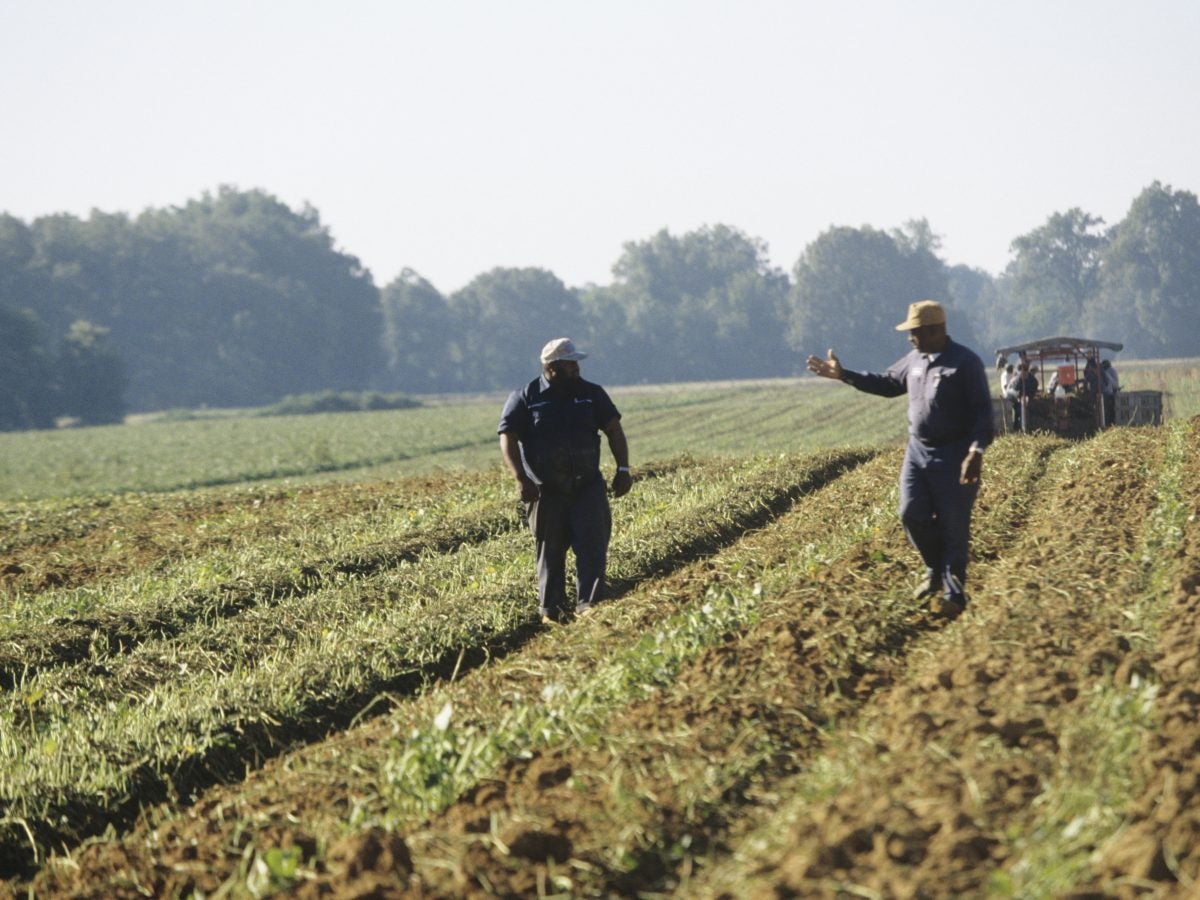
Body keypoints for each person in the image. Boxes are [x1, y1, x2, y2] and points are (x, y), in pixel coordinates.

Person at [806, 300, 993, 619]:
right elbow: (887, 383)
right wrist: (845, 375)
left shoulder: (965, 363)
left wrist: (976, 451)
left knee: (953, 526)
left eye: (915, 332)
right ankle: (935, 569)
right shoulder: (914, 359)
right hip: (918, 451)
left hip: (955, 453)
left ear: (935, 331)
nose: (910, 338)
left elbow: (983, 414)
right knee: (911, 512)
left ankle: (954, 595)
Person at [497, 338, 633, 624]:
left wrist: (623, 469)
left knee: (593, 546)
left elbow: (614, 430)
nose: (576, 367)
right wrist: (521, 478)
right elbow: (507, 438)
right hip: (545, 491)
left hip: (588, 486)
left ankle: (590, 605)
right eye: (570, 363)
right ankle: (552, 612)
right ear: (552, 367)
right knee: (549, 551)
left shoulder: (591, 394)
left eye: (576, 362)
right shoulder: (525, 396)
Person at [1101, 359, 1119, 426]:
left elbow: (1110, 382)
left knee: (1110, 409)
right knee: (1112, 409)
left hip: (1111, 391)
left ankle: (1110, 422)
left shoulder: (1108, 371)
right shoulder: (1112, 370)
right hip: (1113, 390)